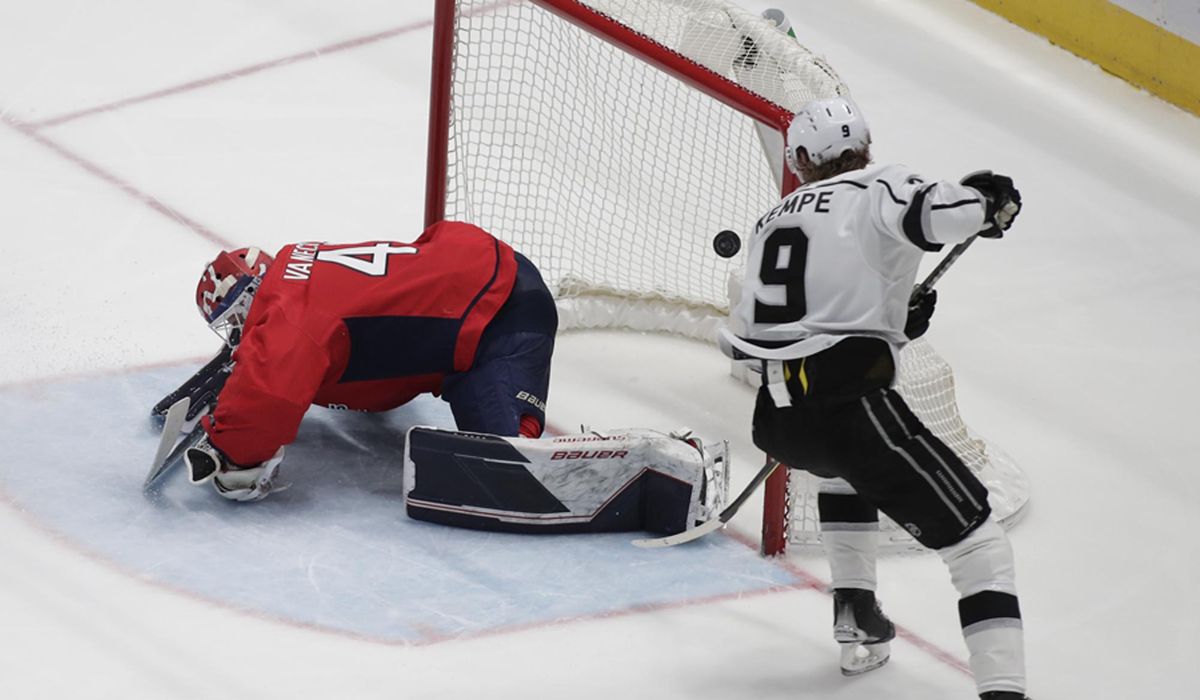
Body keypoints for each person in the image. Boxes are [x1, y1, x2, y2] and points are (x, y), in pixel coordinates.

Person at [720, 97, 1028, 700]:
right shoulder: (877, 185)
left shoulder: (771, 220)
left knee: (843, 473)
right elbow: (942, 215)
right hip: (850, 406)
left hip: (777, 417)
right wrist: (989, 201)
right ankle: (1005, 690)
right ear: (863, 143)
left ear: (802, 159)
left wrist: (889, 320)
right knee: (980, 542)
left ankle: (855, 612)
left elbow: (759, 335)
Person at [181, 220, 558, 502]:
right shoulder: (298, 269)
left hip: (500, 319)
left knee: (507, 468)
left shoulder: (288, 317)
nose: (235, 331)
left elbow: (268, 399)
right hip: (484, 275)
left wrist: (232, 456)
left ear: (249, 293)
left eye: (233, 318)